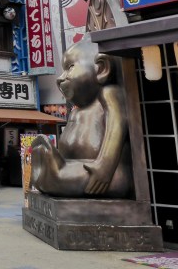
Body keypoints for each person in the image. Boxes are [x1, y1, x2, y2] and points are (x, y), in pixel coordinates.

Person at [30, 35, 132, 198]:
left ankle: (51, 174)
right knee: (55, 175)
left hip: (105, 175)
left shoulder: (109, 93)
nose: (60, 78)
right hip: (79, 168)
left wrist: (105, 166)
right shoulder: (76, 111)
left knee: (57, 178)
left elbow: (117, 128)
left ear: (102, 68)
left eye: (70, 67)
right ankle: (50, 172)